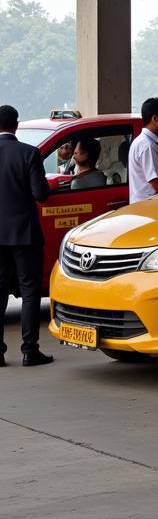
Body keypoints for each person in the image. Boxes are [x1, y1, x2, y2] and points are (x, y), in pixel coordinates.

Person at [0, 104, 53, 366]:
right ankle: (29, 350)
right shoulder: (29, 153)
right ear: (16, 125)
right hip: (24, 233)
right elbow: (40, 193)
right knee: (30, 292)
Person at [128, 97, 158, 203]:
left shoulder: (144, 141)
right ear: (155, 119)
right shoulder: (147, 145)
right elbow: (157, 183)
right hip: (149, 208)